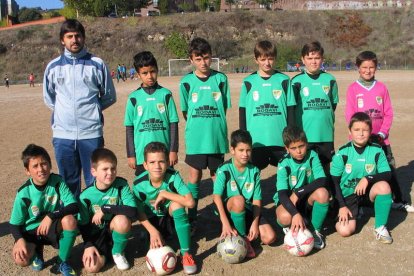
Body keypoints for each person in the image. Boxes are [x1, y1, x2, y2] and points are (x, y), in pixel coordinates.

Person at [43, 19, 116, 197]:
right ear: (62, 40)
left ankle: (94, 222)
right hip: (63, 135)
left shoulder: (97, 64)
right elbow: (49, 98)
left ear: (83, 38)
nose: (74, 40)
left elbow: (109, 96)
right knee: (68, 181)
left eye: (78, 36)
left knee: (95, 180)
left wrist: (92, 111)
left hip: (91, 133)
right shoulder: (53, 67)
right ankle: (72, 221)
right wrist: (63, 112)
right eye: (69, 36)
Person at [345, 50, 414, 212]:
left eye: (371, 67)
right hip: (361, 139)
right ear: (358, 68)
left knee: (389, 169)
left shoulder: (381, 88)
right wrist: (357, 135)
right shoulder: (353, 89)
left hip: (381, 139)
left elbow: (388, 113)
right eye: (364, 67)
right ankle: (358, 204)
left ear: (376, 68)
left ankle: (398, 200)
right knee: (359, 170)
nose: (368, 70)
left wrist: (382, 133)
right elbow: (350, 114)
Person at [179, 37, 231, 230]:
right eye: (198, 59)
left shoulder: (221, 79)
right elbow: (186, 112)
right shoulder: (186, 83)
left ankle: (222, 216)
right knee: (194, 177)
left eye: (206, 58)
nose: (203, 63)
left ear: (211, 57)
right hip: (195, 139)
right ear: (191, 60)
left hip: (215, 138)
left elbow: (223, 108)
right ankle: (192, 218)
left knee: (217, 177)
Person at [9, 144, 78, 275]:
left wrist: (51, 216)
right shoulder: (24, 192)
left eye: (44, 164)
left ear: (50, 165)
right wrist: (19, 240)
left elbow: (73, 206)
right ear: (27, 171)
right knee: (21, 259)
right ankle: (36, 254)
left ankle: (62, 261)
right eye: (35, 166)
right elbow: (14, 224)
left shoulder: (57, 182)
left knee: (70, 220)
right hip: (31, 231)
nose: (41, 169)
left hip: (50, 226)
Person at [132, 142, 197, 274]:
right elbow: (138, 212)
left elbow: (190, 203)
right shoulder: (138, 184)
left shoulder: (173, 176)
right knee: (149, 239)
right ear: (145, 165)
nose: (157, 166)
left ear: (168, 163)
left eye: (161, 161)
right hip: (151, 221)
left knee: (177, 205)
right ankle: (151, 233)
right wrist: (152, 231)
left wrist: (166, 194)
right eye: (152, 162)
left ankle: (186, 255)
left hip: (169, 218)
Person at [331, 112, 393, 244]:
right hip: (348, 196)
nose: (361, 133)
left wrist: (367, 178)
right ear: (350, 131)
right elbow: (334, 182)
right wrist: (341, 206)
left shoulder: (377, 150)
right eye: (356, 130)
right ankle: (348, 211)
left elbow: (388, 174)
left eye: (365, 130)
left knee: (384, 186)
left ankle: (380, 227)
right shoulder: (343, 152)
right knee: (345, 231)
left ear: (370, 131)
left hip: (367, 193)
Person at [213, 130, 276, 258]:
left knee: (270, 238)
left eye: (248, 150)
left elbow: (257, 200)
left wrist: (254, 222)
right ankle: (243, 240)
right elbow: (216, 197)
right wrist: (225, 222)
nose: (245, 154)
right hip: (229, 210)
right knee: (239, 200)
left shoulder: (254, 171)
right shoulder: (224, 169)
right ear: (232, 150)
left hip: (247, 209)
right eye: (241, 150)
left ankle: (245, 230)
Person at [78, 148, 137, 272]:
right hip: (97, 235)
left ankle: (117, 252)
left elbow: (133, 211)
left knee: (122, 220)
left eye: (113, 168)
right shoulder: (85, 196)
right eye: (105, 169)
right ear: (93, 172)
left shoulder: (121, 185)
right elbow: (83, 225)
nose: (110, 172)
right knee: (91, 268)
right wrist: (88, 245)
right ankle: (107, 254)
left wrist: (105, 209)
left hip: (114, 229)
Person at [239, 40, 292, 171]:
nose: (267, 63)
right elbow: (242, 112)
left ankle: (285, 192)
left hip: (280, 139)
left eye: (270, 59)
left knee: (287, 171)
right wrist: (244, 137)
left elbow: (291, 109)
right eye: (263, 59)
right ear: (256, 59)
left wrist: (290, 137)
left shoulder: (284, 80)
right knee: (252, 172)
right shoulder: (248, 81)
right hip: (256, 140)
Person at [124, 51, 179, 177]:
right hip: (141, 154)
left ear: (157, 70)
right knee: (144, 185)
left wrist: (173, 150)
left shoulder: (166, 95)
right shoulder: (133, 98)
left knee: (167, 184)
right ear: (138, 74)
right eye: (145, 73)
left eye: (153, 71)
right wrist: (131, 155)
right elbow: (129, 129)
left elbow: (173, 125)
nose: (150, 76)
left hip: (164, 153)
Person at [274, 126, 329, 249]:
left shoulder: (312, 156)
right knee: (284, 217)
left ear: (306, 144)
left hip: (306, 199)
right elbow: (282, 194)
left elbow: (322, 180)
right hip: (289, 202)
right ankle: (292, 225)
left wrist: (299, 192)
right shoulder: (283, 163)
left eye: (301, 146)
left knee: (323, 193)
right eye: (293, 148)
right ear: (287, 148)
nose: (298, 151)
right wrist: (294, 214)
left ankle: (315, 231)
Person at [289, 41, 339, 178]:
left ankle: (326, 195)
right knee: (305, 168)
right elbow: (292, 109)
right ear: (303, 59)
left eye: (317, 58)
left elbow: (333, 104)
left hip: (325, 133)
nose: (313, 62)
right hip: (305, 135)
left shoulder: (330, 80)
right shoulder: (296, 82)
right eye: (310, 58)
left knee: (325, 166)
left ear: (322, 59)